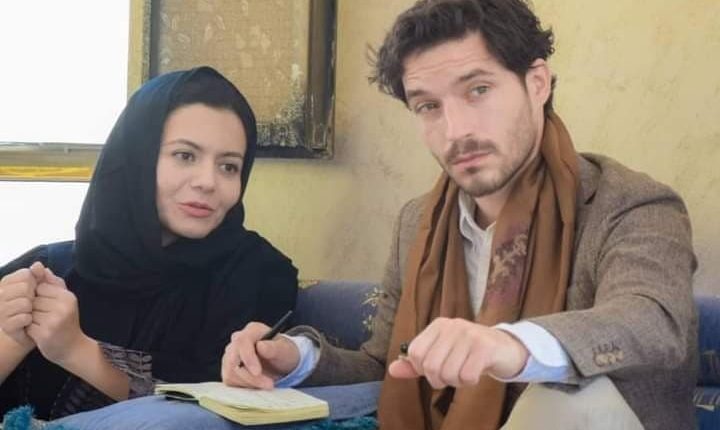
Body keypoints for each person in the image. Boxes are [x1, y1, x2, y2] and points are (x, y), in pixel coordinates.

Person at [221, 1, 697, 429]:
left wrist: (512, 345)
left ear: (537, 83)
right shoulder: (418, 222)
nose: (456, 131)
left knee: (565, 400)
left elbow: (653, 322)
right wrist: (295, 358)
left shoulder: (629, 204)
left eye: (478, 90)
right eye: (428, 106)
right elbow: (388, 365)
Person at [0, 66, 299, 421]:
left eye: (229, 166)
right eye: (185, 156)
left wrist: (77, 351)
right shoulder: (47, 270)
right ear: (135, 158)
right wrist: (11, 339)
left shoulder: (259, 274)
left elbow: (222, 408)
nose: (208, 181)